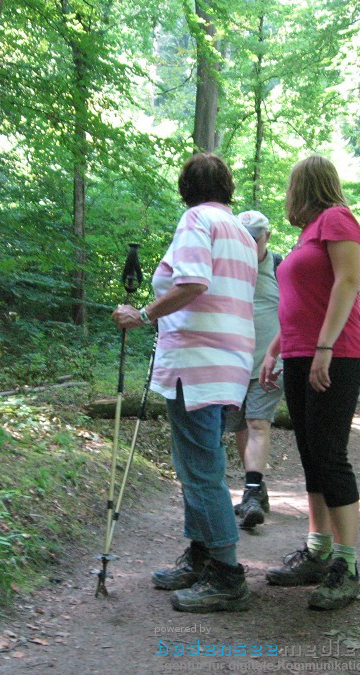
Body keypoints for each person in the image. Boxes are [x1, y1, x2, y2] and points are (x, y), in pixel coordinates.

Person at [112, 153, 257, 613]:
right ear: (227, 187)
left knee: (200, 470)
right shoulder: (240, 232)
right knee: (201, 464)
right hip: (228, 363)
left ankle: (227, 574)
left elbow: (193, 282)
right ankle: (200, 557)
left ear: (185, 188)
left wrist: (143, 313)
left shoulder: (197, 219)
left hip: (196, 365)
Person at [258, 155, 360, 611]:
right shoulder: (308, 233)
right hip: (302, 353)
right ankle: (318, 551)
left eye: (292, 186)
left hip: (335, 356)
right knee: (310, 454)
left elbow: (347, 283)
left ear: (305, 186)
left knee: (329, 454)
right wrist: (275, 349)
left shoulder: (338, 219)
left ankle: (347, 564)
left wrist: (324, 347)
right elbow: (303, 299)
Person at [225, 210, 284, 530]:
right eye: (243, 239)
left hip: (271, 362)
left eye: (255, 239)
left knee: (258, 422)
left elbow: (295, 313)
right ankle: (256, 488)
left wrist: (279, 353)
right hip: (233, 362)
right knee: (240, 427)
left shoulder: (281, 268)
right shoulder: (228, 266)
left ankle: (249, 493)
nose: (249, 245)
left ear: (267, 237)